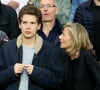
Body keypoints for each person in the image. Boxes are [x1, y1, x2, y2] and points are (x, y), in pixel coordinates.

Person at [0, 5, 64, 90]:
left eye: (32, 23)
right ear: (19, 25)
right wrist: (11, 72)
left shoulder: (51, 50)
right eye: (25, 22)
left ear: (38, 26)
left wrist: (36, 72)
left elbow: (58, 81)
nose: (28, 27)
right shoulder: (6, 48)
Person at [59, 22, 100, 90]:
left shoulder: (87, 56)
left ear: (74, 38)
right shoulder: (65, 56)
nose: (59, 37)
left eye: (63, 35)